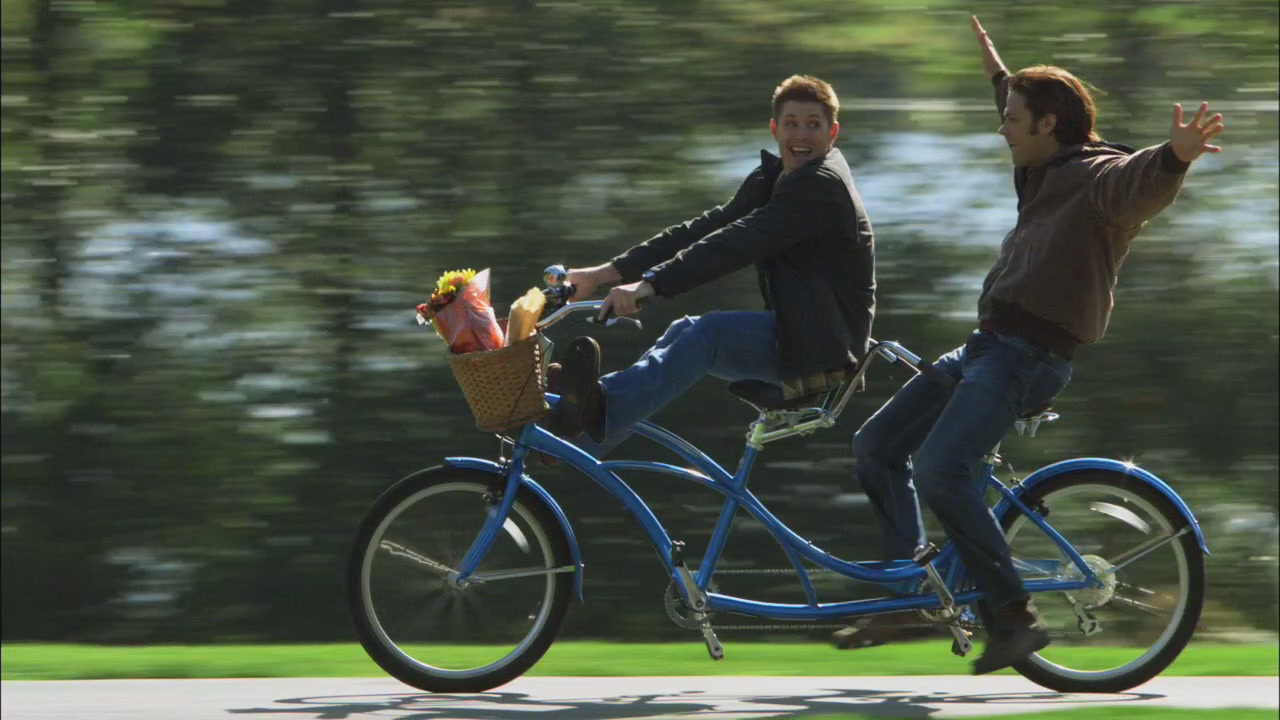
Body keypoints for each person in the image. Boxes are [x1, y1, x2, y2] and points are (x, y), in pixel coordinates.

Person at [832, 16, 1225, 675]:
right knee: (876, 445)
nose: (1002, 126)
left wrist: (1175, 156)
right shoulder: (1044, 169)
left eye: (1013, 117)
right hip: (987, 347)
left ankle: (1012, 617)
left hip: (1028, 357)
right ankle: (914, 595)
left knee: (939, 469)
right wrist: (1000, 78)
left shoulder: (1098, 178)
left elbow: (1138, 184)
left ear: (1048, 124)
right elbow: (1023, 116)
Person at [546, 75, 877, 450]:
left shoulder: (820, 186)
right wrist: (606, 273)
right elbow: (705, 229)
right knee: (683, 331)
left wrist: (651, 283)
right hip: (800, 334)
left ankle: (588, 420)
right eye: (791, 124)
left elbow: (734, 244)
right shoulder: (774, 179)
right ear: (774, 129)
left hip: (823, 353)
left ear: (832, 133)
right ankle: (580, 442)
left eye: (813, 125)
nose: (801, 136)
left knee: (708, 335)